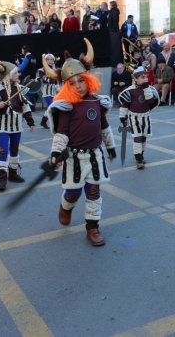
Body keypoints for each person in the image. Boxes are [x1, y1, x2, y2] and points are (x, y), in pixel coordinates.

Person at [46, 38, 116, 246]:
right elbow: (62, 132)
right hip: (74, 158)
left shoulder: (97, 102)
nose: (78, 86)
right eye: (72, 83)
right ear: (66, 86)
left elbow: (104, 126)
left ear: (88, 79)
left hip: (95, 156)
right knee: (73, 193)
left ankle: (92, 228)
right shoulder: (66, 106)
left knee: (94, 192)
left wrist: (110, 147)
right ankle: (65, 207)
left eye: (81, 80)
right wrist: (56, 153)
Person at [0, 57, 35, 191]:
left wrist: (30, 122)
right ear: (8, 76)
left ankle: (12, 174)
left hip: (17, 127)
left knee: (14, 150)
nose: (18, 75)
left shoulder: (20, 88)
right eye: (15, 73)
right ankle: (2, 179)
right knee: (3, 151)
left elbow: (25, 106)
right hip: (3, 127)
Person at [118, 66, 159, 169]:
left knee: (144, 138)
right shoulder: (130, 91)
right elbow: (124, 105)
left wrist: (146, 88)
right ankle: (139, 159)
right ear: (135, 79)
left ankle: (141, 154)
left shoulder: (149, 89)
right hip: (134, 118)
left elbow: (150, 101)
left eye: (146, 77)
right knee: (138, 138)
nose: (145, 79)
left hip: (145, 117)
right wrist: (123, 117)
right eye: (142, 77)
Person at [37, 53, 60, 128]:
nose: (50, 61)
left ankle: (43, 122)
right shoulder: (41, 70)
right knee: (51, 107)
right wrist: (52, 71)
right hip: (46, 91)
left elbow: (56, 80)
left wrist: (53, 68)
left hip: (53, 90)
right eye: (48, 59)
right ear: (45, 60)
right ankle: (54, 123)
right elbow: (47, 80)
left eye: (52, 59)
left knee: (51, 107)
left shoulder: (55, 69)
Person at [17, 45, 39, 110]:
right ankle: (33, 106)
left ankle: (30, 107)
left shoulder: (27, 58)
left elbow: (20, 68)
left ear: (24, 50)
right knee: (32, 92)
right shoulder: (33, 57)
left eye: (22, 50)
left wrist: (18, 63)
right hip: (33, 77)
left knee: (27, 92)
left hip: (26, 78)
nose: (21, 51)